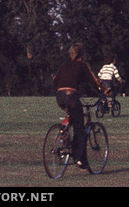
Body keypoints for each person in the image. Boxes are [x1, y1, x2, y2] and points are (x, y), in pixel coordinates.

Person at [52, 42, 101, 172]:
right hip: (72, 96)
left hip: (60, 96)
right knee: (80, 128)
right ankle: (80, 159)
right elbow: (93, 80)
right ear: (82, 54)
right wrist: (103, 89)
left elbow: (55, 81)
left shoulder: (64, 65)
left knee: (73, 117)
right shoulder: (83, 65)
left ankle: (64, 132)